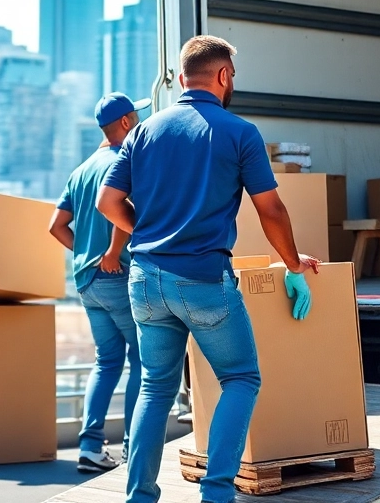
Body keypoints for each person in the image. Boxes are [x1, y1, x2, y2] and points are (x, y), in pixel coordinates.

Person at [97, 35, 321, 503]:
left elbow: (107, 202)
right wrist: (292, 262)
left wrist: (145, 233)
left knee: (155, 388)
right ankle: (217, 495)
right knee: (240, 378)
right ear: (223, 76)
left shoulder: (142, 131)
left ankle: (139, 496)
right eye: (232, 76)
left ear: (181, 78)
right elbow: (272, 210)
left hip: (145, 279)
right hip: (203, 282)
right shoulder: (239, 131)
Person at [48, 93, 150, 473]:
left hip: (86, 281)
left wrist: (85, 255)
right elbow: (123, 208)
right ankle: (130, 450)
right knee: (142, 359)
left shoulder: (81, 169)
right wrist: (110, 252)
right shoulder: (128, 159)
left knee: (106, 361)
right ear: (125, 122)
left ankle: (90, 448)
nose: (139, 121)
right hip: (116, 274)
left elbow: (56, 227)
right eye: (136, 116)